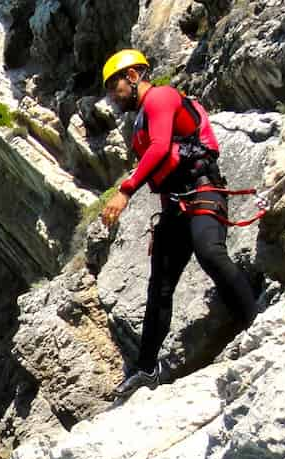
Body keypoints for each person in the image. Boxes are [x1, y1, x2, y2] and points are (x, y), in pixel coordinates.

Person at [98, 49, 258, 399]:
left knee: (209, 252)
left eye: (115, 85)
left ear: (135, 75)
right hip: (175, 203)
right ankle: (145, 370)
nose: (113, 94)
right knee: (160, 287)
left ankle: (258, 325)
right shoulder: (141, 116)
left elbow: (159, 149)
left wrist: (124, 191)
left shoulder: (162, 97)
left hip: (204, 190)